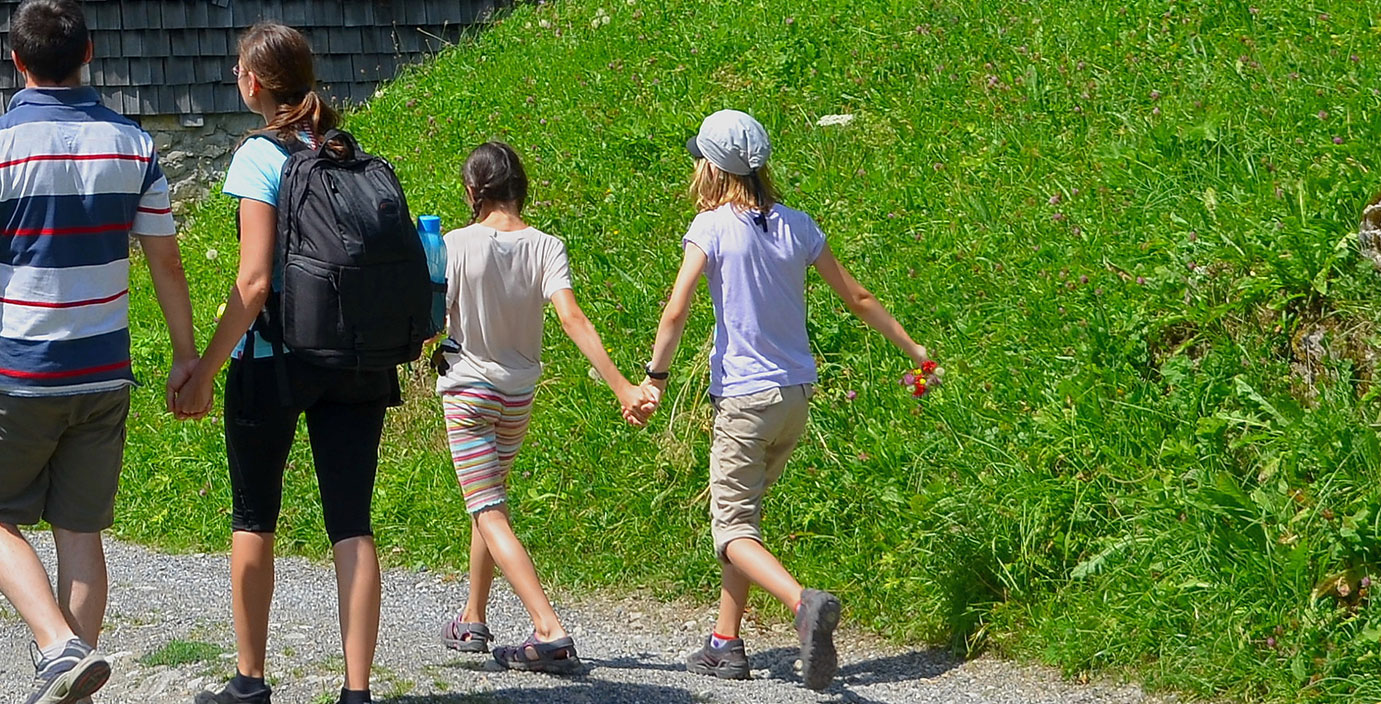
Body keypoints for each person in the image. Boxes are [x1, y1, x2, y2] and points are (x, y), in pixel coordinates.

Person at [0, 2, 198, 702]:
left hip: (18, 373)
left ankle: (57, 648)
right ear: (89, 53)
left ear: (15, 61)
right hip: (105, 372)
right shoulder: (134, 145)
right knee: (80, 532)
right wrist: (183, 354)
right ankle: (69, 682)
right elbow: (166, 263)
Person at [165, 20, 435, 704]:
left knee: (254, 516)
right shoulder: (346, 150)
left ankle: (250, 682)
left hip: (275, 359)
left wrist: (204, 368)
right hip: (356, 358)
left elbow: (254, 283)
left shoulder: (260, 157)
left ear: (254, 83)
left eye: (238, 71)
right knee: (352, 520)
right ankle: (357, 690)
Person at [638, 109, 940, 691]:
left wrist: (656, 377)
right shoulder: (798, 225)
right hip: (796, 398)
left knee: (730, 529)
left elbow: (676, 310)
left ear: (712, 168)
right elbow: (857, 295)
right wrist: (915, 349)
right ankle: (725, 643)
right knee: (745, 521)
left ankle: (804, 605)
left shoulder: (710, 227)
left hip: (745, 399)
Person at [427, 141, 654, 676]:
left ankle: (548, 629)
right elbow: (573, 318)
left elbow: (433, 321)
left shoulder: (453, 245)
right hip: (518, 396)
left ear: (471, 192)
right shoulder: (547, 245)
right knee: (489, 501)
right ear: (520, 188)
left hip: (469, 391)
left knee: (487, 508)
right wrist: (622, 387)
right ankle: (473, 617)